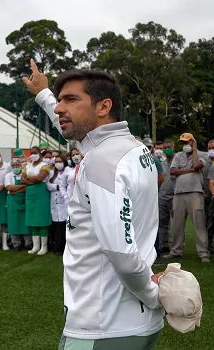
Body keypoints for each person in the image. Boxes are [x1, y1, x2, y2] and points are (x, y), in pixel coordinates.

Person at [24, 60, 164, 348]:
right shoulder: (132, 149)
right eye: (60, 100)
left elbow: (120, 252)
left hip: (103, 327)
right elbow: (70, 125)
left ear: (103, 107)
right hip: (134, 323)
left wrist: (155, 294)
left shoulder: (102, 161)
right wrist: (43, 94)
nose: (60, 108)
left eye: (71, 99)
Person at [164, 132, 210, 264]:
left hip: (195, 192)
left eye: (187, 142)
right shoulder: (178, 155)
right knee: (177, 224)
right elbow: (173, 171)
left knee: (199, 223)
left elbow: (197, 166)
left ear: (193, 142)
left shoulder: (202, 155)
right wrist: (189, 171)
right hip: (178, 193)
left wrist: (194, 149)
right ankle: (175, 251)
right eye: (183, 143)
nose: (185, 145)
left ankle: (203, 253)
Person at [21, 146, 52, 255]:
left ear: (39, 153)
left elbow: (40, 178)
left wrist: (28, 178)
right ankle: (35, 246)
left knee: (42, 219)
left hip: (41, 195)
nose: (33, 154)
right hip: (30, 195)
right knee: (32, 219)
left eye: (35, 152)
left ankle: (44, 247)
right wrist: (33, 179)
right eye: (31, 153)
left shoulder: (44, 166)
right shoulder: (27, 166)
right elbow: (22, 180)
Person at [5, 155, 32, 250]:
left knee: (25, 222)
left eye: (17, 165)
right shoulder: (8, 176)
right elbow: (9, 188)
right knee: (13, 222)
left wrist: (15, 189)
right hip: (12, 202)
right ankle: (16, 243)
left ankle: (28, 243)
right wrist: (22, 186)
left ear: (21, 166)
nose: (15, 167)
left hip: (24, 201)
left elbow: (27, 188)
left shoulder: (25, 175)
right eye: (14, 166)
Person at [46, 153, 68, 255]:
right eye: (57, 162)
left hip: (64, 202)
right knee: (55, 225)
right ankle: (55, 246)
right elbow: (48, 185)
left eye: (60, 161)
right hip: (54, 203)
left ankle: (61, 247)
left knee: (63, 226)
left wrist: (58, 187)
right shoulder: (51, 173)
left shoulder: (68, 172)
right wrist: (58, 187)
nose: (58, 164)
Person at [157, 140, 176, 255]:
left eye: (169, 147)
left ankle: (174, 245)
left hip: (174, 195)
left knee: (176, 223)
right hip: (162, 195)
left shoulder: (177, 162)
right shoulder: (161, 163)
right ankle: (163, 244)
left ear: (173, 148)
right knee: (162, 222)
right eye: (165, 148)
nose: (166, 150)